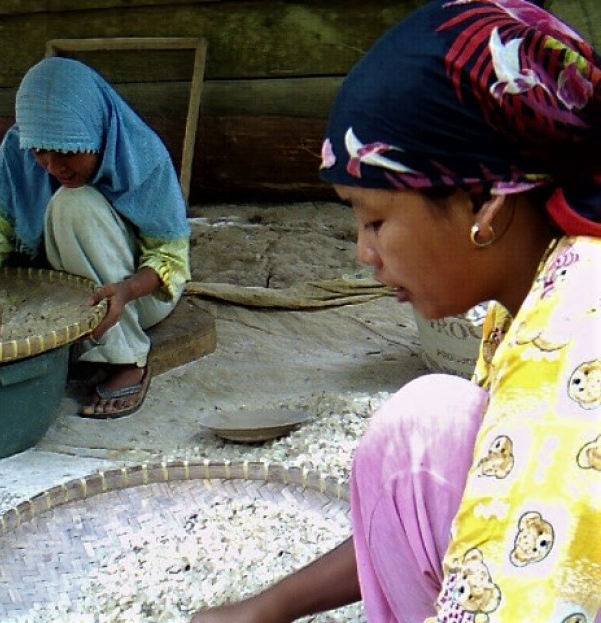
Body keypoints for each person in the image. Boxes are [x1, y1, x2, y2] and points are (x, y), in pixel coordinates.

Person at [193, 0, 600, 621]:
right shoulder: (547, 279)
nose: (365, 252)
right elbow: (490, 489)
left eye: (376, 220)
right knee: (423, 436)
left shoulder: (576, 329)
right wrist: (267, 608)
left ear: (482, 202)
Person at [0, 57, 191, 419]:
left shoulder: (144, 157)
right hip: (55, 278)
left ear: (95, 131)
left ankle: (125, 357)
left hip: (128, 297)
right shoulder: (18, 148)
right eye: (40, 152)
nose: (53, 167)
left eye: (68, 151)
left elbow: (171, 258)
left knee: (74, 202)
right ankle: (1, 326)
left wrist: (126, 290)